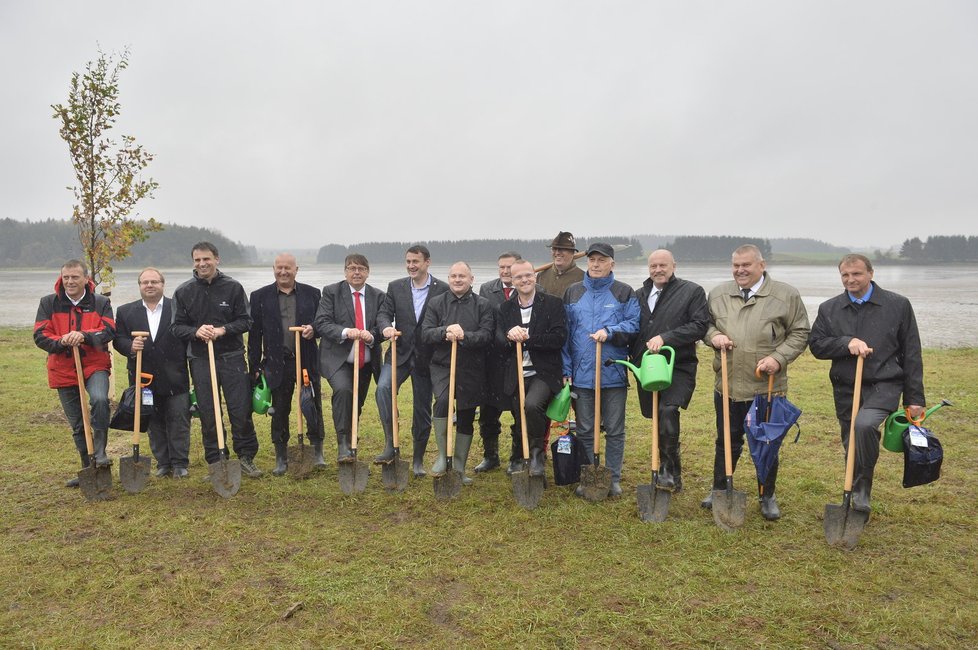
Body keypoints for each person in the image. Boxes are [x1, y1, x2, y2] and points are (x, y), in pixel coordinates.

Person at [809, 254, 925, 513]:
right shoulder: (829, 308)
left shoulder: (898, 305)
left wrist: (914, 398)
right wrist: (846, 342)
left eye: (857, 274)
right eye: (845, 275)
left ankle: (861, 490)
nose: (850, 279)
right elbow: (816, 345)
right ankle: (853, 491)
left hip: (885, 384)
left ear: (871, 273)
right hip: (845, 387)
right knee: (851, 442)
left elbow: (912, 352)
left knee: (864, 426)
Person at [702, 244, 810, 520]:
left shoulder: (786, 295)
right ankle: (719, 489)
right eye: (736, 265)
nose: (740, 270)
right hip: (727, 383)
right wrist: (713, 336)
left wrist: (778, 358)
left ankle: (767, 494)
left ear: (761, 265)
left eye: (746, 265)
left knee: (766, 443)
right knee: (726, 440)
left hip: (766, 387)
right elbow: (704, 324)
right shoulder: (718, 294)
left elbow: (799, 333)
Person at [172, 242, 263, 478]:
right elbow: (176, 327)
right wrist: (195, 332)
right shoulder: (184, 292)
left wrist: (224, 330)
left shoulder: (233, 287)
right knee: (209, 412)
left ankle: (245, 457)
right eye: (197, 260)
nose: (202, 264)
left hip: (231, 357)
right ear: (193, 262)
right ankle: (216, 460)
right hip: (201, 359)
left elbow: (246, 321)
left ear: (217, 259)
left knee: (240, 410)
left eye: (207, 259)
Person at [562, 243, 640, 497]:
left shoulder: (623, 292)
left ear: (612, 264)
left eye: (601, 260)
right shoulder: (573, 292)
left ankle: (613, 478)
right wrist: (566, 368)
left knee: (615, 430)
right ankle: (589, 475)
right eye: (592, 260)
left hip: (613, 373)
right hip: (582, 374)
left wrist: (610, 331)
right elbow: (565, 334)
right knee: (584, 428)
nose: (595, 264)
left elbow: (633, 324)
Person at [630, 250, 710, 493]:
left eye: (663, 265)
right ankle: (673, 474)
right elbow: (632, 328)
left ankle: (665, 470)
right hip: (646, 367)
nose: (658, 270)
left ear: (674, 265)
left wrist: (666, 337)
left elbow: (699, 325)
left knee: (668, 410)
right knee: (657, 417)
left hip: (679, 365)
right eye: (653, 265)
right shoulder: (638, 295)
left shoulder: (692, 292)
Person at [33, 259, 115, 487]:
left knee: (99, 400)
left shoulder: (100, 302)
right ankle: (88, 468)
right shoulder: (48, 303)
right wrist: (62, 340)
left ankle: (100, 455)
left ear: (86, 279)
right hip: (63, 369)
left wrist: (84, 336)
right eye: (66, 277)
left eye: (74, 277)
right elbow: (40, 335)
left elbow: (108, 330)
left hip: (94, 365)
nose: (69, 281)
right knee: (78, 424)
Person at [248, 253, 325, 476]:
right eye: (279, 268)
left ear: (296, 270)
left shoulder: (312, 294)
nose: (283, 272)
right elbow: (254, 335)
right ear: (273, 269)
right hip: (276, 363)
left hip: (307, 362)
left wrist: (314, 329)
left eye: (287, 268)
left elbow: (322, 323)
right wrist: (254, 366)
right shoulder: (259, 296)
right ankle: (281, 457)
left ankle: (317, 451)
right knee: (280, 410)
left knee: (312, 406)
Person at [376, 245, 449, 476]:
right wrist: (386, 327)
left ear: (427, 262)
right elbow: (384, 313)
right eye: (408, 261)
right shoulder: (395, 287)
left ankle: (417, 460)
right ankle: (391, 443)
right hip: (399, 353)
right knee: (383, 389)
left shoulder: (443, 289)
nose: (411, 266)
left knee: (422, 409)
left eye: (415, 261)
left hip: (427, 358)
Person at [114, 268, 192, 478]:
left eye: (154, 282)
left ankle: (180, 464)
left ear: (162, 284)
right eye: (145, 282)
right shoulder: (125, 311)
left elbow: (186, 337)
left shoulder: (177, 309)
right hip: (144, 378)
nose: (149, 285)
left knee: (179, 420)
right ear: (139, 286)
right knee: (153, 421)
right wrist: (130, 346)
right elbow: (118, 339)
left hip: (175, 377)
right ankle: (163, 463)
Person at [421, 261, 494, 484]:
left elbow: (487, 335)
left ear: (471, 279)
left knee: (466, 413)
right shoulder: (436, 303)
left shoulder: (483, 305)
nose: (457, 280)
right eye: (453, 276)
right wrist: (445, 332)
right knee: (442, 401)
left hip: (471, 367)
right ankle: (444, 457)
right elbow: (425, 333)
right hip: (443, 365)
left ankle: (459, 467)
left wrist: (464, 336)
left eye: (462, 276)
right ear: (449, 279)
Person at [497, 259, 567, 476]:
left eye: (528, 275)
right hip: (516, 372)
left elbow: (558, 338)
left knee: (532, 405)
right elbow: (499, 341)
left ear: (535, 276)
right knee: (519, 415)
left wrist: (527, 339)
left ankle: (537, 455)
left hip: (543, 373)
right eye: (518, 277)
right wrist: (509, 336)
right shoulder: (505, 308)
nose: (524, 280)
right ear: (512, 280)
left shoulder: (552, 304)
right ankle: (518, 456)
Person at [314, 254, 385, 463]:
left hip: (366, 361)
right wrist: (346, 331)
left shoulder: (379, 296)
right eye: (352, 268)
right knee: (344, 391)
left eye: (361, 268)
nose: (356, 272)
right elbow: (322, 322)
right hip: (338, 359)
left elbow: (382, 325)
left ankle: (352, 438)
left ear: (368, 272)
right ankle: (343, 445)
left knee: (356, 403)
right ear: (345, 271)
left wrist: (372, 335)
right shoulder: (331, 292)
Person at [476, 251, 521, 474]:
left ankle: (517, 457)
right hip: (492, 360)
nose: (505, 271)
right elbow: (484, 320)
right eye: (501, 267)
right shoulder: (487, 290)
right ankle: (490, 455)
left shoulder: (530, 289)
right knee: (488, 411)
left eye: (509, 267)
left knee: (518, 409)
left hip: (518, 360)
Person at [537, 231, 584, 298]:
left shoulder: (583, 278)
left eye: (562, 249)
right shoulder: (541, 276)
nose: (557, 252)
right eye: (554, 249)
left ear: (572, 252)